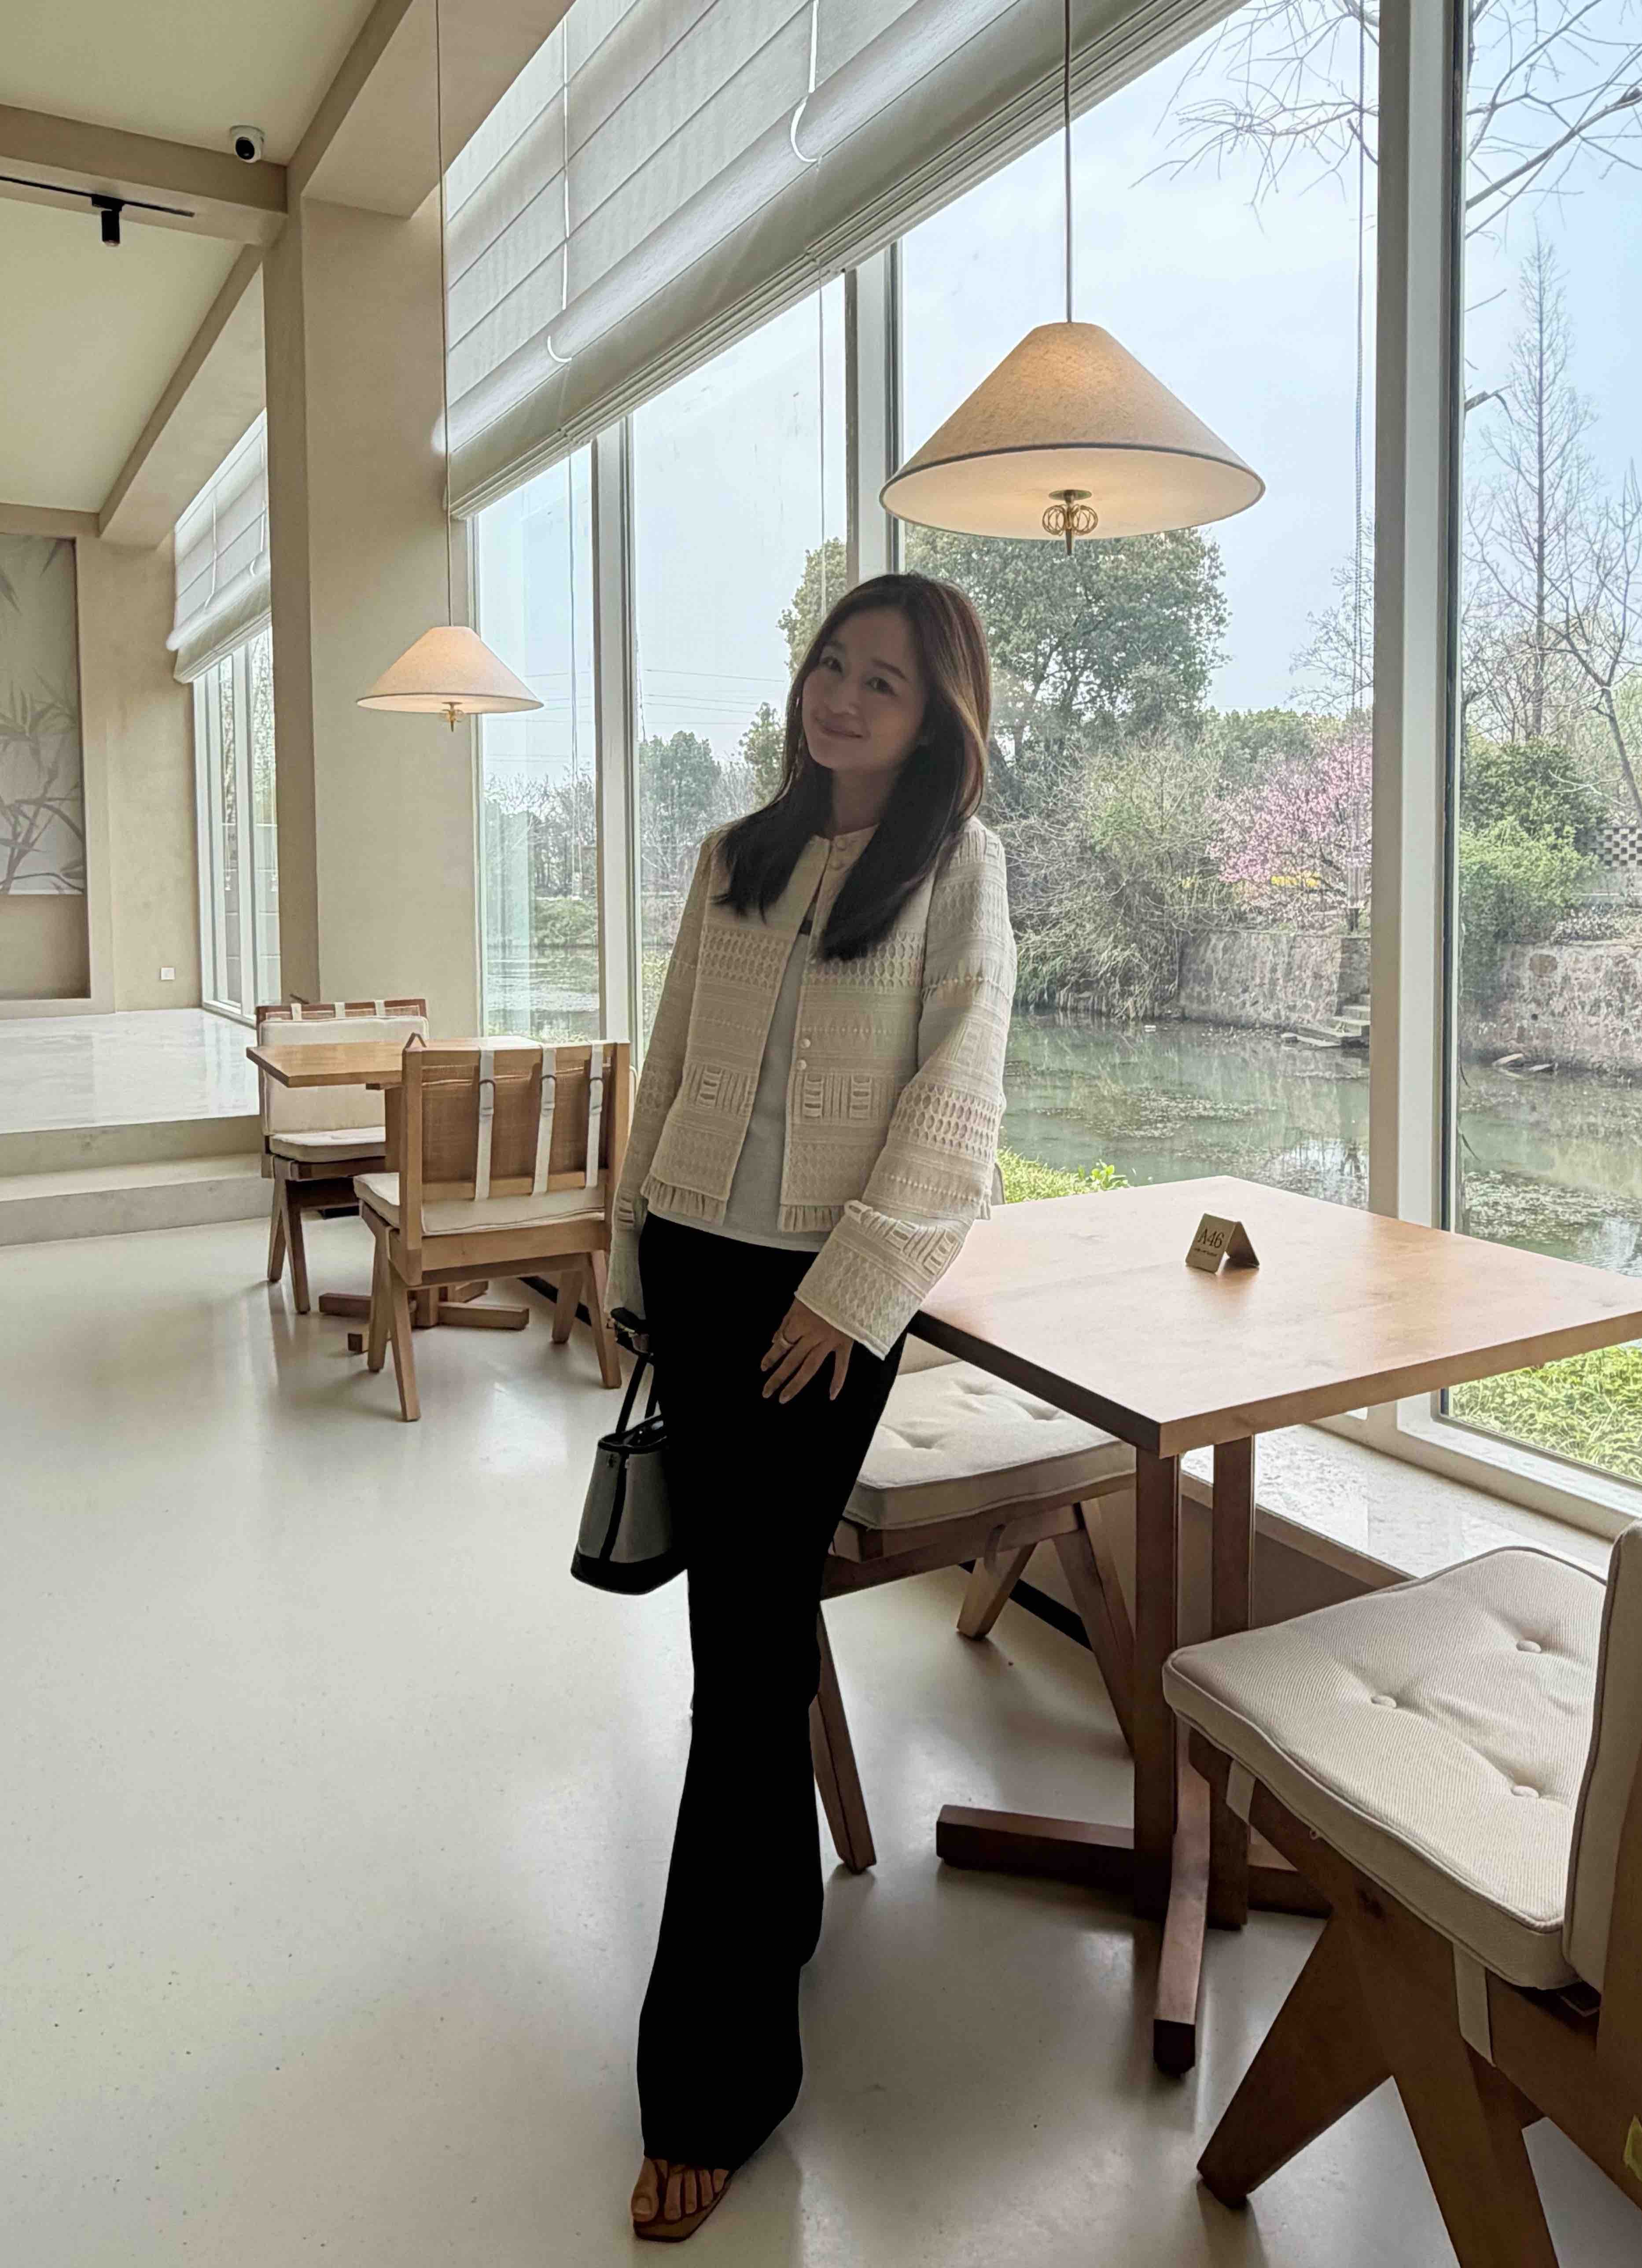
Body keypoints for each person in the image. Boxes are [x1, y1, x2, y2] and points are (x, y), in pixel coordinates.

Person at [604, 572, 1016, 2241]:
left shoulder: (959, 871)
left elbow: (961, 1097)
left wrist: (853, 1290)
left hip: (824, 1308)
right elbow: (670, 1063)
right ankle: (772, 1918)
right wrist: (626, 1253)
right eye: (830, 666)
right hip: (699, 1271)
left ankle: (712, 2082)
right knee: (747, 1642)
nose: (840, 697)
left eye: (883, 682)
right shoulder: (735, 857)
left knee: (745, 1658)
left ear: (937, 719)